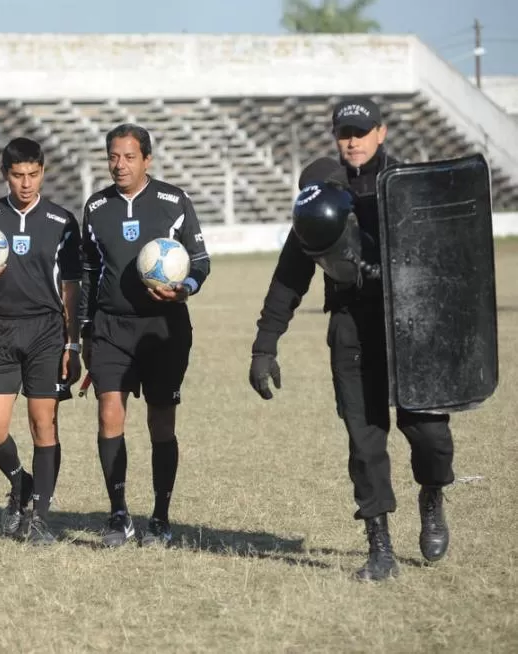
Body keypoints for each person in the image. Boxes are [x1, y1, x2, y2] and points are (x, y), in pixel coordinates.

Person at [249, 98, 454, 581]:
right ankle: (379, 546)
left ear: (381, 133)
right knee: (364, 442)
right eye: (345, 132)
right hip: (350, 328)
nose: (353, 140)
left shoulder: (411, 187)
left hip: (413, 326)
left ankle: (432, 494)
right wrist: (265, 345)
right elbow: (289, 277)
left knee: (430, 434)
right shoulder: (322, 195)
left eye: (362, 131)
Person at [79, 123, 211, 548]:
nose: (120, 165)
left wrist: (185, 288)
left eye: (129, 157)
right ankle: (119, 516)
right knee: (108, 415)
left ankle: (160, 517)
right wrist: (83, 330)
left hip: (163, 329)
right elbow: (87, 272)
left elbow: (201, 262)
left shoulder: (175, 202)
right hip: (111, 328)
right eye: (114, 157)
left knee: (161, 423)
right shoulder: (96, 206)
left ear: (147, 159)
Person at [0, 137, 81, 546]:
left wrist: (73, 342)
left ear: (43, 172)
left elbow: (70, 286)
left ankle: (41, 518)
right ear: (5, 174)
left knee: (42, 423)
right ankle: (22, 484)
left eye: (33, 174)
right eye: (17, 175)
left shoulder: (62, 221)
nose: (26, 183)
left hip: (47, 331)